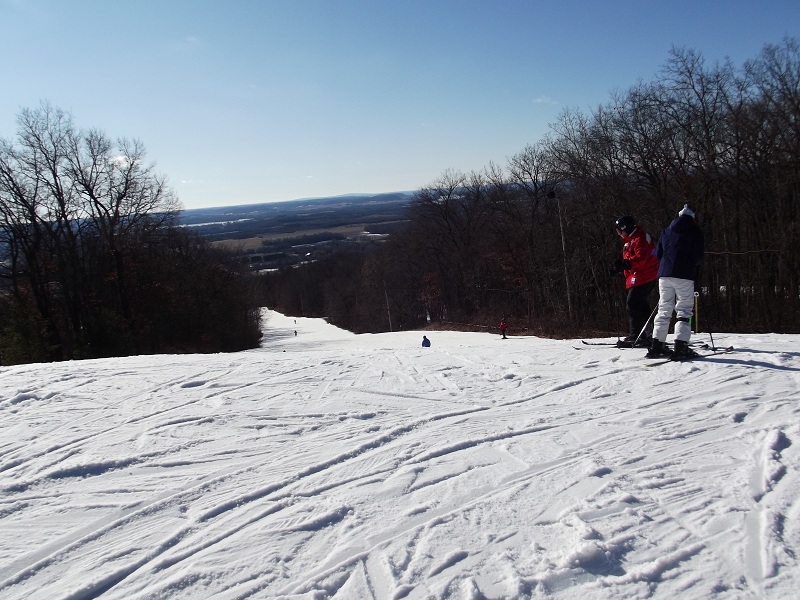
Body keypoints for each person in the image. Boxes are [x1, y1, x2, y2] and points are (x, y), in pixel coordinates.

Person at [647, 204, 705, 360]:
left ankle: (657, 344)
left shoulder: (666, 231)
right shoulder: (695, 231)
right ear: (693, 217)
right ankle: (681, 346)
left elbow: (658, 253)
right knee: (684, 310)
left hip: (664, 274)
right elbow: (698, 257)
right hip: (684, 274)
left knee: (664, 308)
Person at [609, 215, 659, 347]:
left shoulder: (640, 238)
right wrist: (620, 267)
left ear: (626, 228)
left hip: (645, 275)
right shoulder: (631, 240)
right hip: (640, 276)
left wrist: (626, 264)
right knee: (641, 303)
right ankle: (648, 333)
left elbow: (642, 258)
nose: (619, 233)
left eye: (619, 230)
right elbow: (631, 261)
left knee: (632, 303)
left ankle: (637, 334)